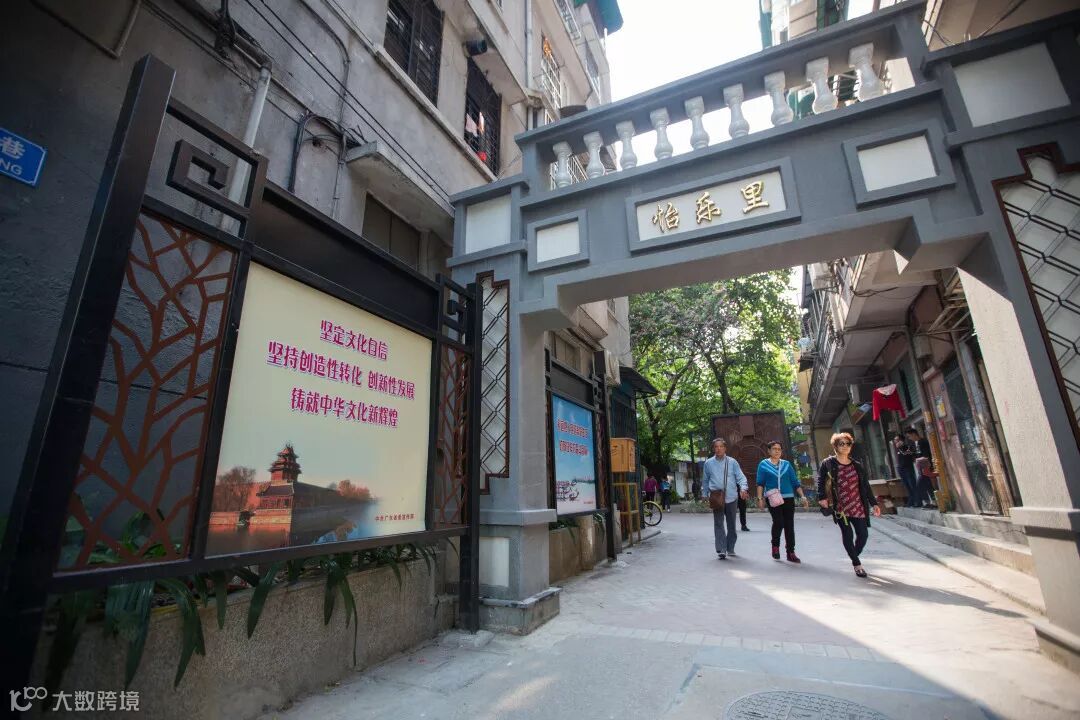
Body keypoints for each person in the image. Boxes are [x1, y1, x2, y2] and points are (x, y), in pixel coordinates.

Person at [817, 432, 881, 578]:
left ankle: (853, 555)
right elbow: (820, 481)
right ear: (835, 446)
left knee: (863, 535)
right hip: (841, 507)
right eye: (842, 444)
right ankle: (857, 564)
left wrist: (874, 503)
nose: (845, 446)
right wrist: (822, 497)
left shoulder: (857, 465)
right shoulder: (828, 463)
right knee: (847, 534)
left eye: (848, 443)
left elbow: (865, 486)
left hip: (858, 505)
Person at [756, 441, 809, 562]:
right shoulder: (763, 464)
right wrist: (760, 499)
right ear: (769, 451)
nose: (777, 451)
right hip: (773, 498)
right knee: (778, 522)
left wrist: (803, 497)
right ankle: (775, 546)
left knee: (789, 525)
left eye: (779, 449)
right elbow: (760, 483)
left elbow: (795, 482)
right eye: (774, 449)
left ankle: (791, 552)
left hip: (788, 497)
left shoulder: (786, 464)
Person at [701, 438, 749, 560]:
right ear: (713, 449)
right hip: (716, 497)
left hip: (732, 497)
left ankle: (730, 547)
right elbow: (705, 480)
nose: (718, 449)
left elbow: (741, 477)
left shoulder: (732, 462)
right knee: (718, 523)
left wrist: (743, 488)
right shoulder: (708, 463)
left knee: (731, 524)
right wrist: (704, 493)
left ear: (725, 448)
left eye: (721, 446)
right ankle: (721, 549)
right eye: (716, 447)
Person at [906, 428, 935, 507]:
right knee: (928, 484)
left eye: (909, 436)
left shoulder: (923, 442)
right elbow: (917, 455)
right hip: (920, 467)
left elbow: (926, 455)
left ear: (914, 434)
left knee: (920, 485)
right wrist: (912, 453)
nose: (909, 438)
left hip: (926, 466)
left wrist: (919, 459)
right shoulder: (914, 444)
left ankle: (929, 502)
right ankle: (931, 502)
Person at [892, 433, 918, 507]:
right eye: (895, 440)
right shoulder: (897, 449)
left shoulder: (907, 447)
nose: (896, 442)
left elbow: (910, 454)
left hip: (908, 468)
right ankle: (911, 501)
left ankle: (917, 501)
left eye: (897, 440)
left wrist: (903, 446)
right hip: (901, 469)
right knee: (907, 486)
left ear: (902, 441)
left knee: (912, 484)